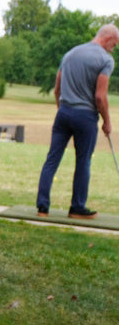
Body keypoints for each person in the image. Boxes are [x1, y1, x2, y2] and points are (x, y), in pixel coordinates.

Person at [36, 24, 117, 219]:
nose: (113, 49)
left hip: (63, 112)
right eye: (114, 45)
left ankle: (42, 208)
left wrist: (62, 110)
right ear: (108, 39)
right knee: (83, 162)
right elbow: (100, 97)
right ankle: (77, 208)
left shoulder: (70, 54)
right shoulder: (105, 60)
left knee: (52, 159)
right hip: (86, 116)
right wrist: (107, 121)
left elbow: (57, 89)